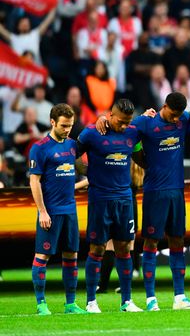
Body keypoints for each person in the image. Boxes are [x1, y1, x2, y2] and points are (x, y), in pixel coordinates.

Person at [124, 92, 190, 310]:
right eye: (173, 114)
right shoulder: (145, 123)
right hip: (154, 191)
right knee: (151, 242)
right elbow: (125, 135)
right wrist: (141, 159)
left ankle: (180, 297)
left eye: (179, 116)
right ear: (164, 106)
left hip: (176, 191)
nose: (176, 119)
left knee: (177, 241)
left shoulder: (184, 119)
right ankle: (150, 298)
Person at [77, 99, 143, 313]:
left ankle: (126, 301)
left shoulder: (133, 132)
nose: (124, 126)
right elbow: (72, 155)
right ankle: (90, 301)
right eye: (121, 122)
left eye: (127, 122)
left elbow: (153, 125)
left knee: (125, 248)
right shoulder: (92, 133)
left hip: (124, 198)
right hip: (100, 199)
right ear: (110, 115)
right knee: (97, 248)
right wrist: (88, 171)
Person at [29, 104, 86, 315]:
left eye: (70, 126)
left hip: (70, 210)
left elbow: (74, 175)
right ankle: (41, 303)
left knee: (71, 256)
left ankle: (70, 303)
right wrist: (42, 211)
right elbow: (34, 182)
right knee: (42, 256)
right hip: (50, 212)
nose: (67, 129)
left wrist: (85, 182)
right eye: (63, 125)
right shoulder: (40, 147)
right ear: (52, 122)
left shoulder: (72, 146)